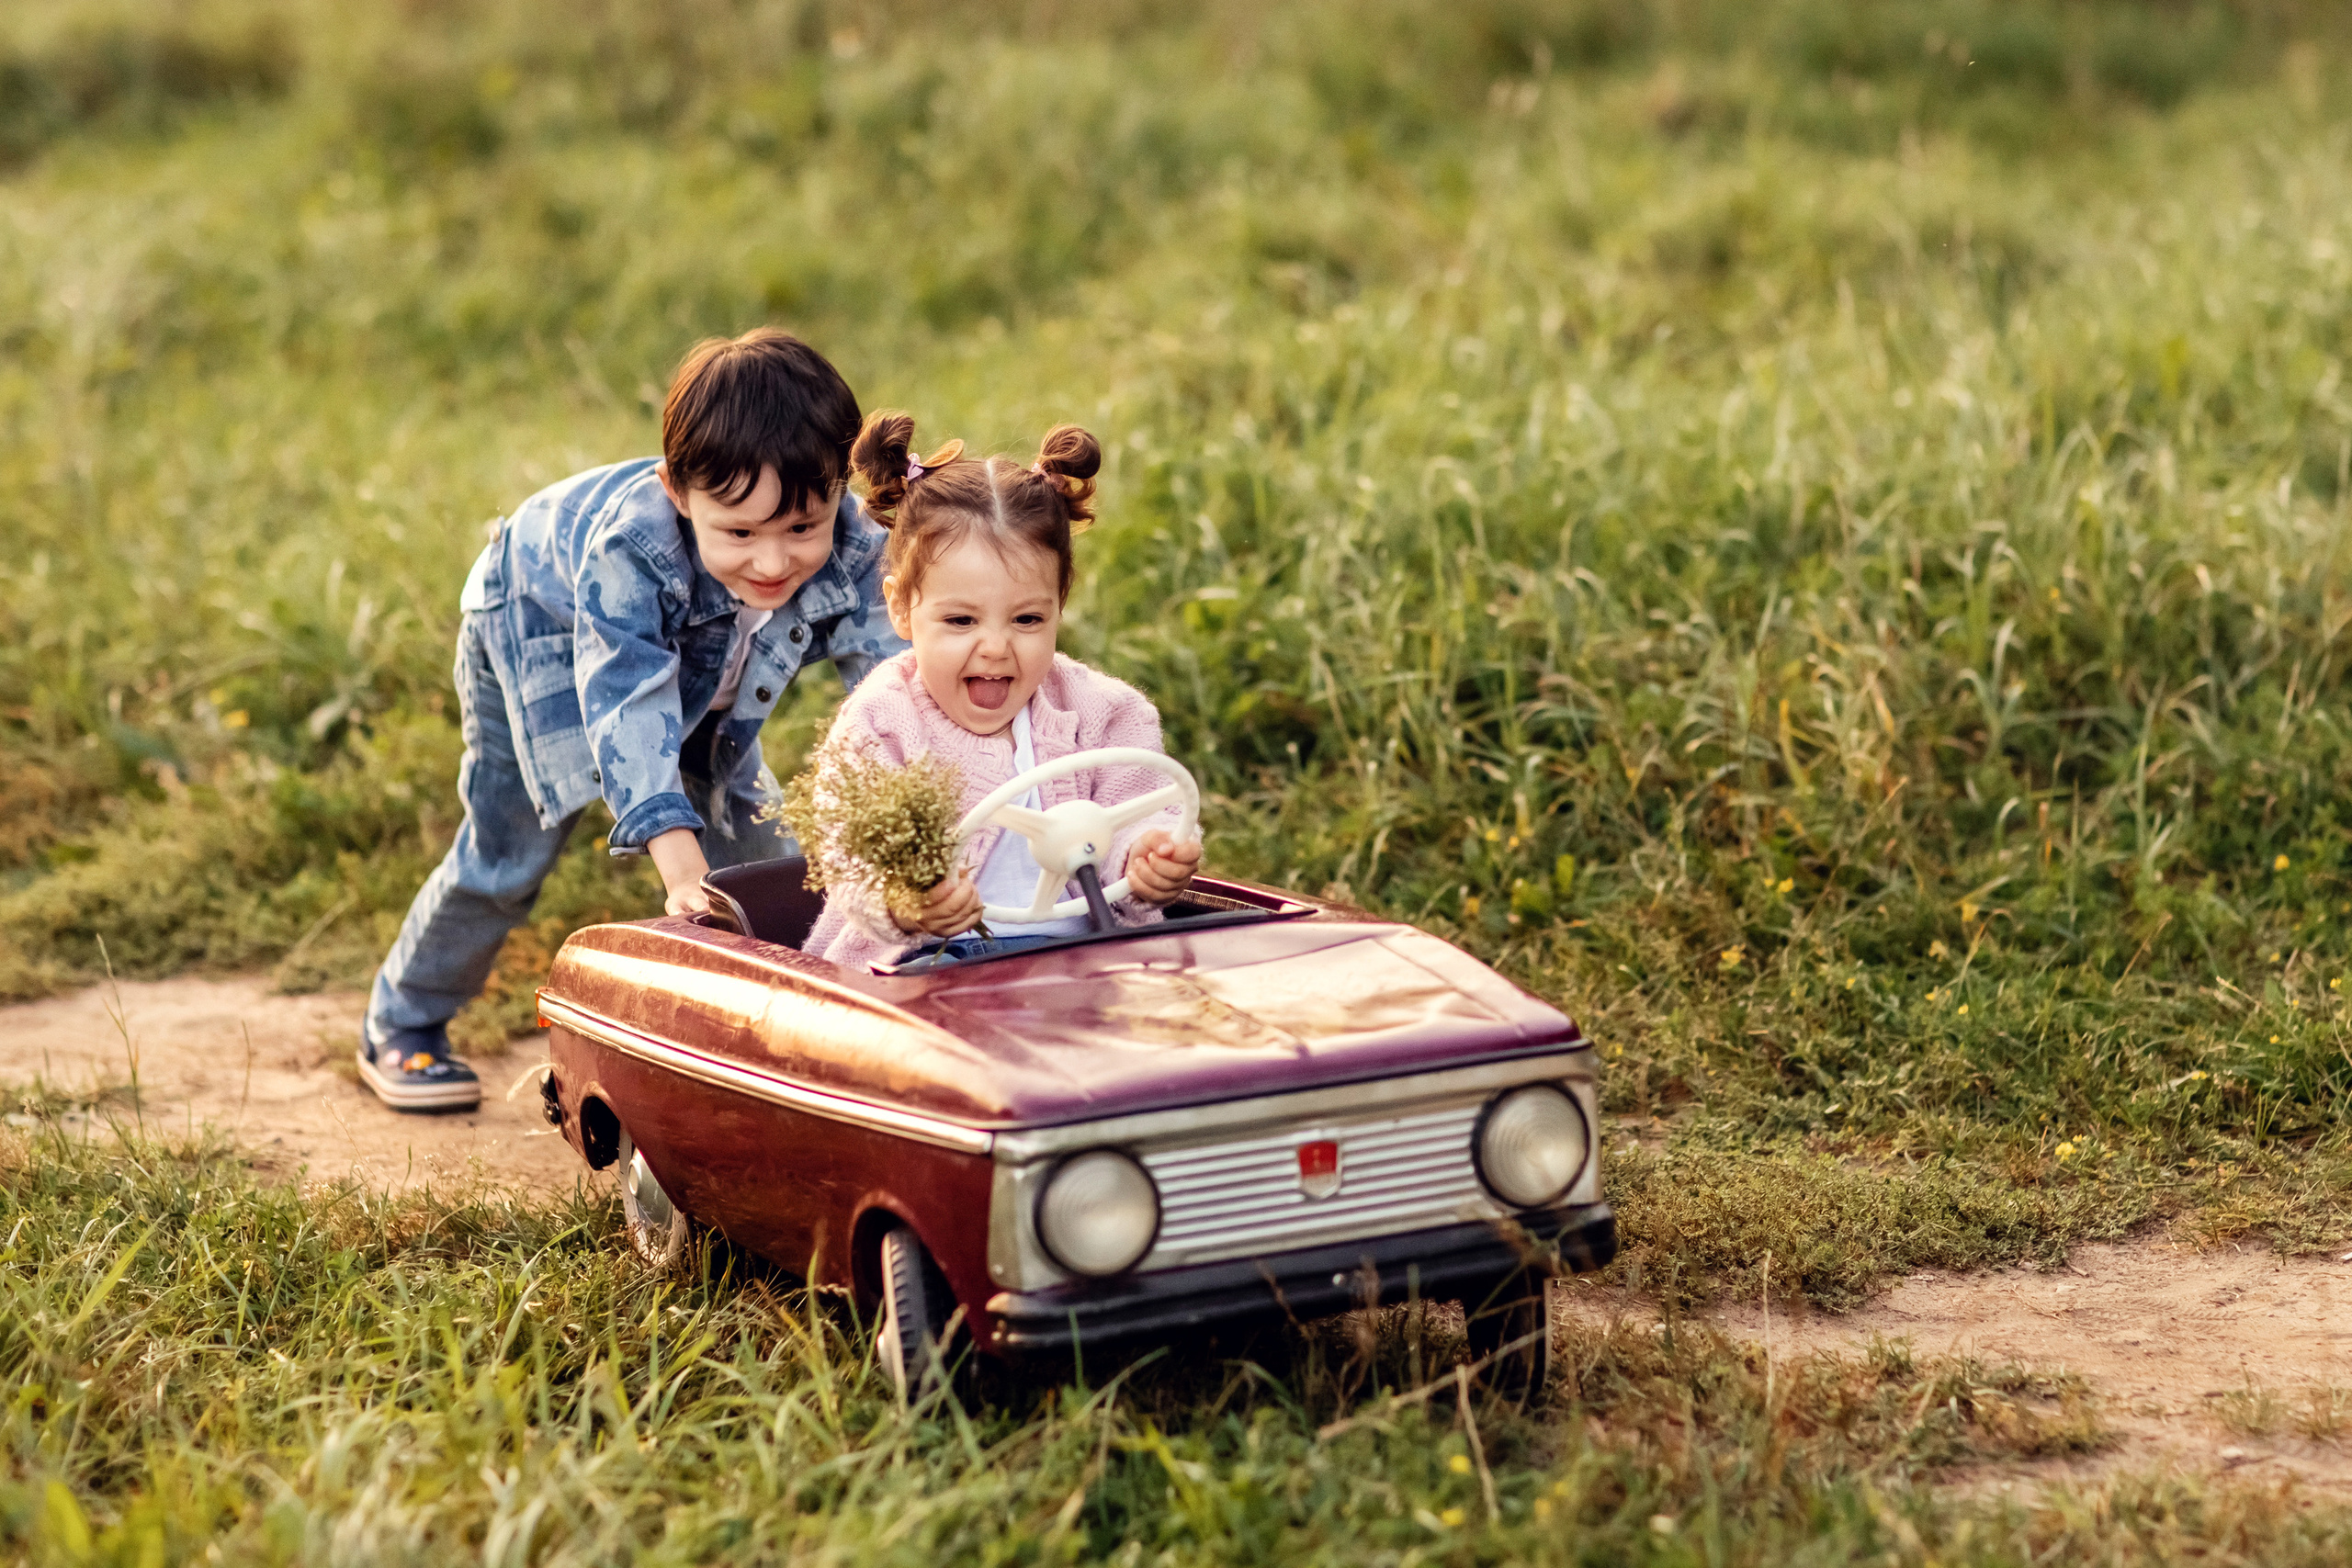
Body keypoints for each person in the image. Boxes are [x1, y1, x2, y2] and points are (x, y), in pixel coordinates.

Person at [361, 328, 904, 1111]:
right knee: (510, 854)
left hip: (703, 666)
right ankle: (401, 1023)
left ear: (835, 492)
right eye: (740, 532)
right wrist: (679, 873)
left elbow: (893, 693)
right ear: (680, 495)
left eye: (801, 528)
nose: (774, 561)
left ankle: (777, 1046)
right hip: (536, 620)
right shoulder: (634, 549)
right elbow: (631, 707)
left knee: (763, 862)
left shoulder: (855, 541)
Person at [800, 415, 1201, 968]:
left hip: (1085, 956)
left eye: (1027, 620)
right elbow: (853, 858)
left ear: (1060, 603)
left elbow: (1137, 804)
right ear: (900, 608)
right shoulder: (881, 722)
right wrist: (909, 904)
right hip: (922, 964)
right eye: (962, 621)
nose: (995, 648)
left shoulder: (1106, 713)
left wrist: (1147, 858)